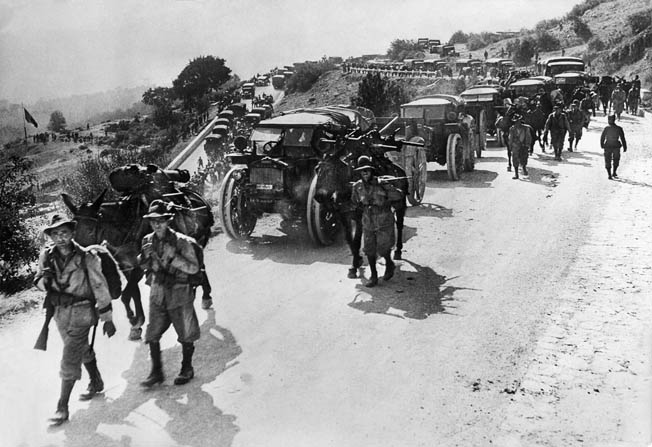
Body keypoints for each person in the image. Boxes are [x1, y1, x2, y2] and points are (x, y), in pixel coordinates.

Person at [34, 215, 116, 426]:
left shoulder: (86, 256)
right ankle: (96, 380)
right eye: (55, 234)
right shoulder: (46, 256)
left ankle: (62, 406)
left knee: (70, 354)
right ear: (50, 236)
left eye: (64, 233)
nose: (60, 238)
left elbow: (99, 286)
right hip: (59, 311)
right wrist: (46, 277)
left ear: (72, 234)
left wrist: (107, 317)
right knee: (80, 348)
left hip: (83, 310)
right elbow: (39, 283)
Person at [138, 200, 201, 387]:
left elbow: (193, 267)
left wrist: (173, 257)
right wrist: (144, 257)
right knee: (152, 333)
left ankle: (186, 368)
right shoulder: (147, 241)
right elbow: (142, 265)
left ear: (168, 221)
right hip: (158, 293)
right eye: (153, 221)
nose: (157, 225)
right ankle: (156, 371)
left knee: (185, 333)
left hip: (179, 293)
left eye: (161, 220)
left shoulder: (182, 242)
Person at [351, 156, 403, 288]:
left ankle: (389, 264)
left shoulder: (382, 183)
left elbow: (399, 195)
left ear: (371, 171)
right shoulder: (357, 187)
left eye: (367, 170)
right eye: (362, 171)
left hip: (384, 219)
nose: (365, 173)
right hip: (368, 221)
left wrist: (385, 188)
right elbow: (354, 202)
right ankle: (373, 276)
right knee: (369, 249)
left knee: (383, 248)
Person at [600, 114, 627, 179]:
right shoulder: (618, 128)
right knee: (615, 159)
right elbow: (622, 138)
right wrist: (624, 146)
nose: (609, 121)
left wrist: (602, 144)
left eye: (609, 119)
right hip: (615, 146)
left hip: (609, 146)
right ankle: (612, 173)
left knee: (608, 160)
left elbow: (602, 137)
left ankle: (611, 174)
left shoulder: (607, 128)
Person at [507, 114, 532, 179]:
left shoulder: (525, 128)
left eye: (518, 121)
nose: (517, 123)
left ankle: (524, 168)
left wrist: (527, 145)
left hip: (524, 145)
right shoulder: (512, 129)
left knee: (524, 158)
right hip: (515, 146)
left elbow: (528, 137)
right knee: (515, 159)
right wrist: (510, 146)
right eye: (516, 121)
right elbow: (510, 138)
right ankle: (516, 174)